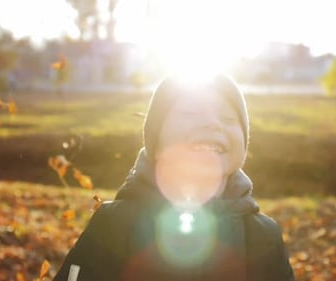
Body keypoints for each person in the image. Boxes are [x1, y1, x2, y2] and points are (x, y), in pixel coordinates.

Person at [53, 74, 294, 281]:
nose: (212, 124)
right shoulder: (116, 223)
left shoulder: (262, 235)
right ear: (156, 144)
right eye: (191, 114)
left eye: (229, 119)